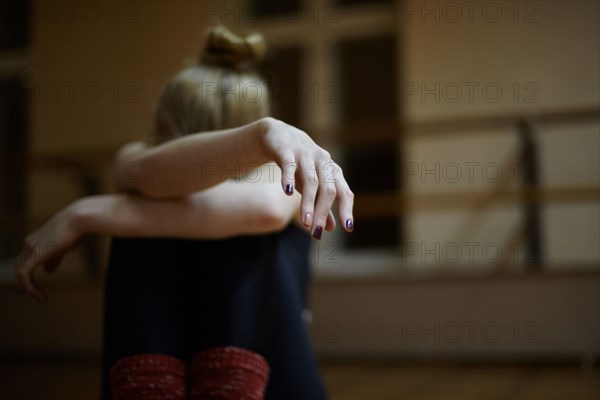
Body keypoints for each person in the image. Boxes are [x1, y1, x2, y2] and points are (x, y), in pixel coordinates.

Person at [15, 26, 353, 399]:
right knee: (151, 219)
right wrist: (259, 134)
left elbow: (265, 209)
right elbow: (146, 174)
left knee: (170, 222)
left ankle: (221, 381)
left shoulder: (277, 173)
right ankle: (152, 383)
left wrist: (88, 213)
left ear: (167, 122)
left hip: (270, 367)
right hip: (172, 354)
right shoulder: (136, 157)